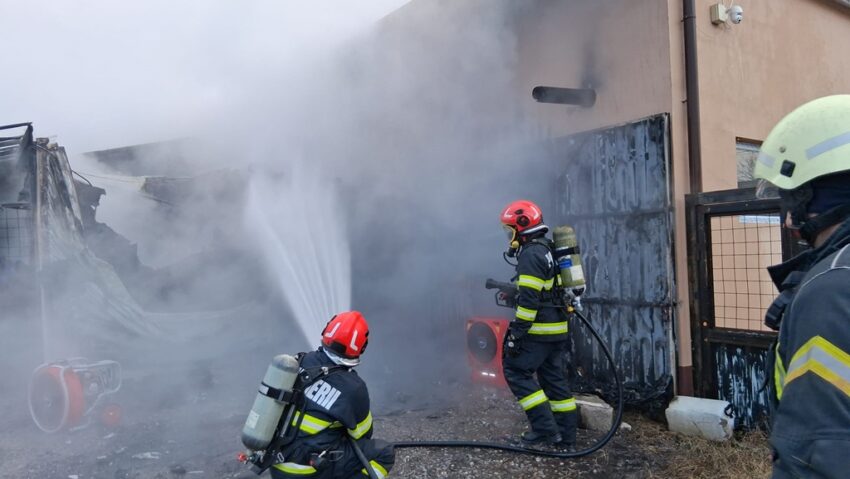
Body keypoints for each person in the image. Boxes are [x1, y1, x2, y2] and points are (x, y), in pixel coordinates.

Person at [754, 95, 850, 478]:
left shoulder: (833, 290)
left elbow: (817, 454)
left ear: (819, 196)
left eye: (791, 199)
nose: (788, 220)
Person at [271, 311, 395, 479]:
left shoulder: (299, 361)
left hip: (276, 464)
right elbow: (362, 434)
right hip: (308, 471)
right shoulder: (353, 387)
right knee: (384, 453)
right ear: (361, 346)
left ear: (326, 331)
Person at [498, 199, 577, 447]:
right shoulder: (548, 248)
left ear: (521, 225)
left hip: (539, 331)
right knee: (554, 381)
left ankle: (544, 430)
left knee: (515, 370)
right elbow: (545, 290)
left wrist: (516, 335)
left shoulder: (530, 254)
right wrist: (515, 294)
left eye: (510, 230)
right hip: (557, 330)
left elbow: (530, 303)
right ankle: (566, 437)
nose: (509, 235)